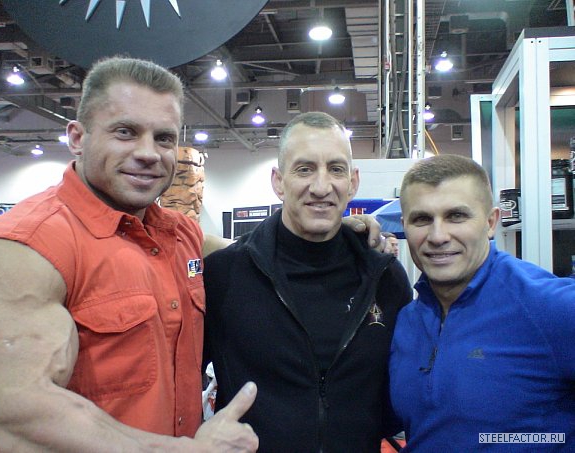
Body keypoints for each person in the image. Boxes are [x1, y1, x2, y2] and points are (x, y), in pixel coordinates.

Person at [0, 56, 260, 452]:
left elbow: (254, 252)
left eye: (164, 138)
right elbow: (8, 417)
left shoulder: (180, 234)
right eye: (125, 132)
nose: (148, 153)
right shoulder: (22, 248)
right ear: (77, 138)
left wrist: (332, 233)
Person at [203, 112, 413, 452]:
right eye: (304, 169)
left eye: (336, 169)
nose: (321, 187)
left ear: (353, 182)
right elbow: (178, 383)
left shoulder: (386, 279)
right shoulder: (224, 275)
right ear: (278, 181)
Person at [390, 154, 575, 451]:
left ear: (490, 222)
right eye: (422, 219)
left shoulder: (549, 307)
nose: (438, 236)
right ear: (404, 226)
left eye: (456, 216)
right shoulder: (407, 321)